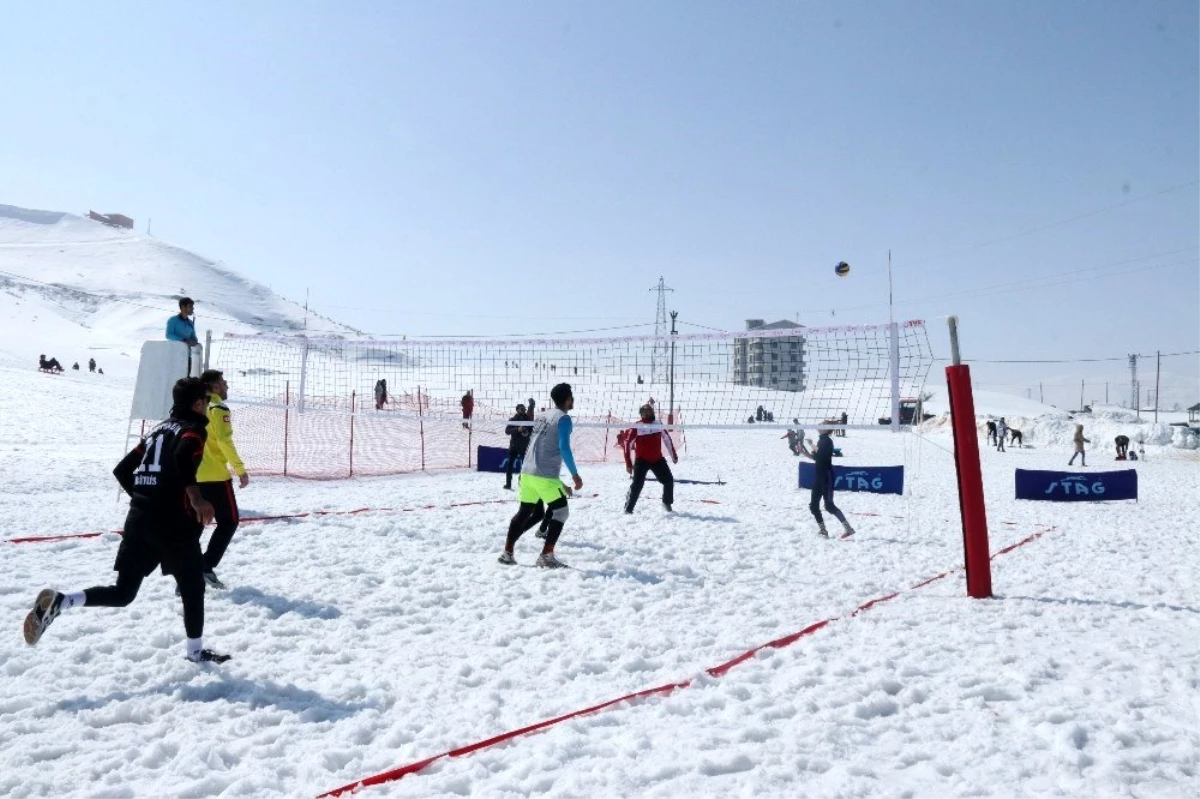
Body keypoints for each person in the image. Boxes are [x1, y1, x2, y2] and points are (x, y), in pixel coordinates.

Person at [22, 377, 230, 663]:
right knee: (193, 586)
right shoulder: (193, 430)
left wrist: (147, 497)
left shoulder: (158, 431)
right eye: (205, 402)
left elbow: (122, 470)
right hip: (172, 525)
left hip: (139, 520)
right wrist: (195, 498)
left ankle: (63, 601)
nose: (207, 407)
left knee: (123, 593)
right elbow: (183, 457)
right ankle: (195, 654)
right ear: (197, 404)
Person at [498, 383, 582, 569]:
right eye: (572, 397)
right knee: (561, 511)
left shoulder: (542, 416)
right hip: (544, 476)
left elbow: (538, 449)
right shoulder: (564, 418)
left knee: (525, 513)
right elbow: (564, 447)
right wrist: (575, 474)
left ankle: (507, 553)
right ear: (568, 399)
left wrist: (560, 484)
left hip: (528, 473)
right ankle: (546, 555)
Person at [196, 369, 249, 589]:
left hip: (193, 476)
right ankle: (204, 567)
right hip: (216, 477)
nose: (227, 386)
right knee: (229, 522)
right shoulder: (218, 409)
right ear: (215, 387)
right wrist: (240, 469)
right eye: (224, 382)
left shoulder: (195, 408)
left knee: (195, 525)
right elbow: (225, 442)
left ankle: (188, 572)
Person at [623, 403, 679, 514]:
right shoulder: (637, 427)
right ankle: (628, 509)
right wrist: (628, 463)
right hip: (641, 460)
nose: (650, 413)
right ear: (642, 414)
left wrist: (673, 455)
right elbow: (627, 445)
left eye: (651, 411)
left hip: (657, 459)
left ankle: (666, 503)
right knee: (637, 485)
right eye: (647, 412)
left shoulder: (658, 424)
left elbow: (667, 439)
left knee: (668, 481)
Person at [803, 423, 855, 539]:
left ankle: (849, 529)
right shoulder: (821, 440)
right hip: (819, 477)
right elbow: (817, 458)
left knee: (829, 506)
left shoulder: (827, 441)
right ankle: (823, 531)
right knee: (813, 506)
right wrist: (804, 452)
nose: (818, 426)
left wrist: (811, 444)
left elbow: (821, 452)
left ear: (826, 429)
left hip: (827, 477)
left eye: (821, 425)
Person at [503, 403, 531, 490]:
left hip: (524, 446)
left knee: (526, 467)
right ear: (517, 409)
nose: (523, 410)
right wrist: (517, 429)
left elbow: (532, 430)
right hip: (514, 446)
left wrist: (527, 433)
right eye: (521, 409)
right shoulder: (513, 419)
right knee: (510, 465)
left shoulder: (528, 419)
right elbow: (507, 431)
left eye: (524, 409)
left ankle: (524, 483)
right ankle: (508, 484)